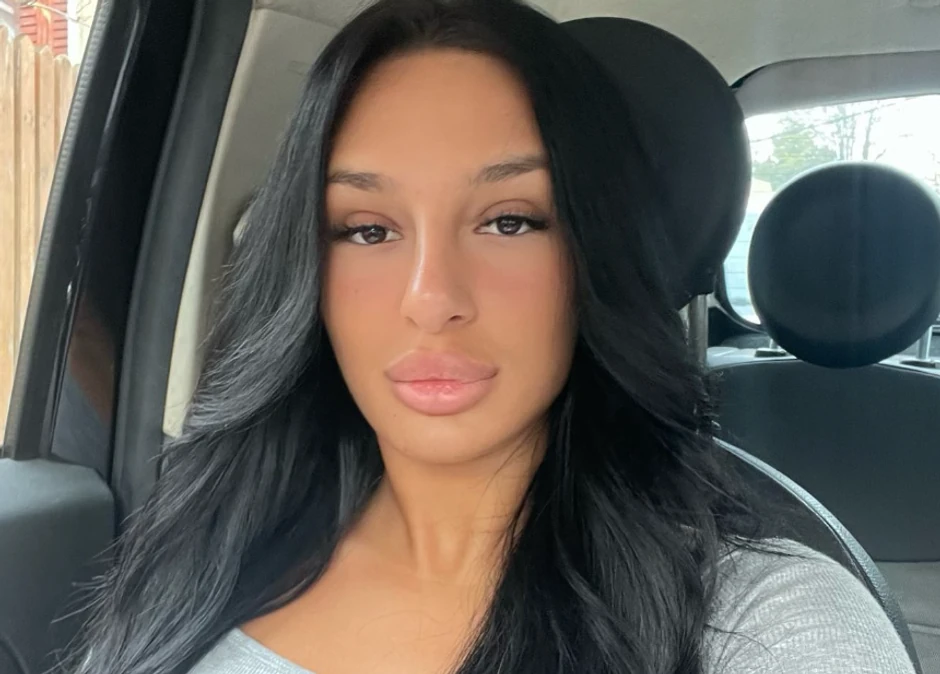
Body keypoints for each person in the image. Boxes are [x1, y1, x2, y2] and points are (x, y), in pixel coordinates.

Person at [68, 1, 916, 673]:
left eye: (510, 221)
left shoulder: (769, 621)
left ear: (591, 256)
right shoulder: (204, 544)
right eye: (367, 229)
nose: (431, 298)